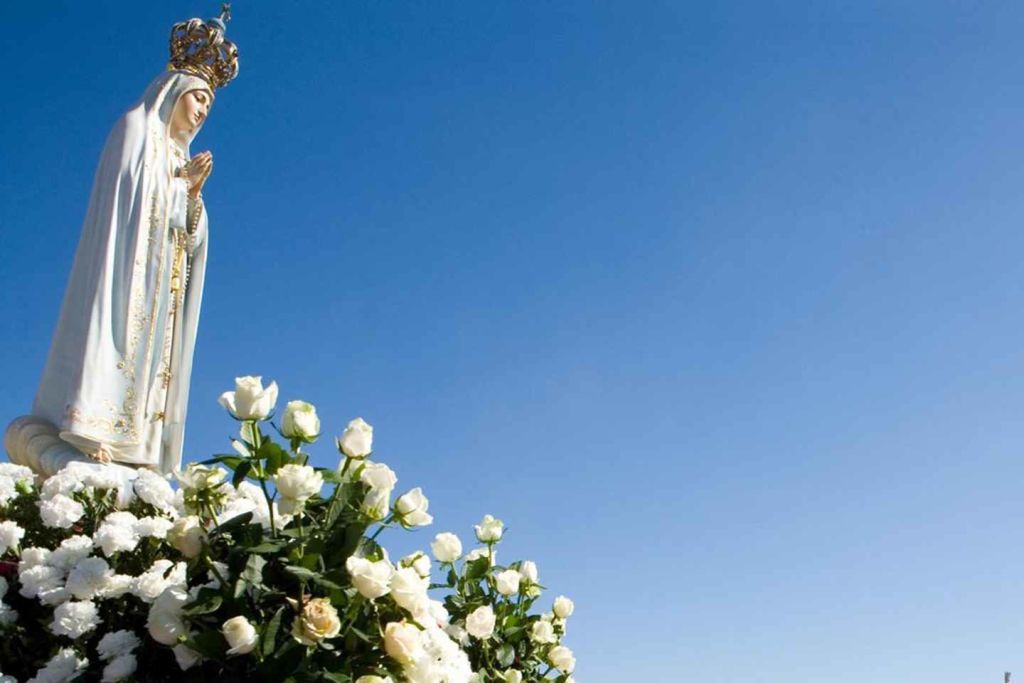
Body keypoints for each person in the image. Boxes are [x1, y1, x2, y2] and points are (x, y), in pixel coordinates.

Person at [5, 9, 238, 478]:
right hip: (126, 276)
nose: (201, 112)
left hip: (161, 294)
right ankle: (94, 431)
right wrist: (179, 187)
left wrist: (191, 195)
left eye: (208, 107)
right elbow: (128, 206)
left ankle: (139, 447)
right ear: (172, 91)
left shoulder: (180, 157)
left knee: (154, 368)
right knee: (117, 341)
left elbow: (190, 235)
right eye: (198, 98)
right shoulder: (136, 130)